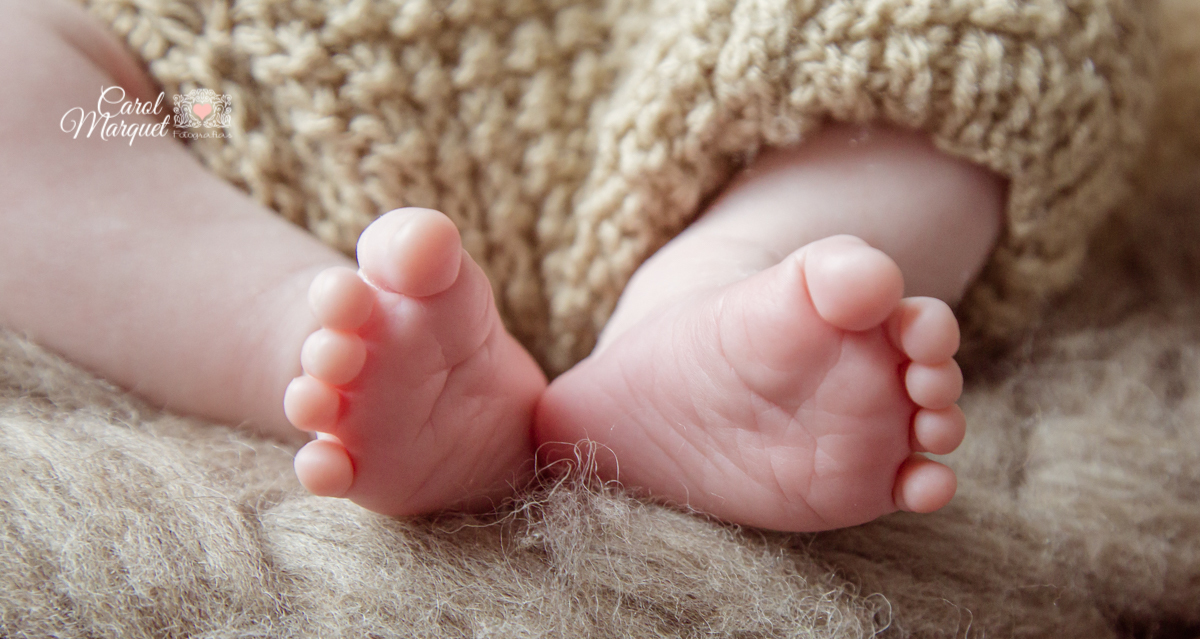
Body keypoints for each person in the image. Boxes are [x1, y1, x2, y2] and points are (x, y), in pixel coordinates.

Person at [1, 0, 1004, 533]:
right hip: (217, 89)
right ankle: (308, 328)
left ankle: (713, 296)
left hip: (722, 63)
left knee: (980, 39)